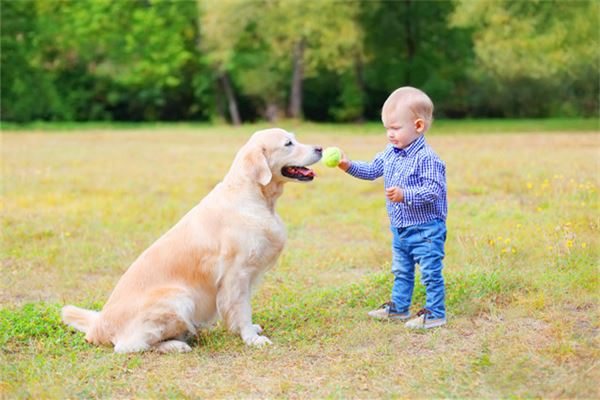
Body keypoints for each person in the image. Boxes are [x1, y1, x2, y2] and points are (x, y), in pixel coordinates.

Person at [338, 86, 448, 329]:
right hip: (400, 229)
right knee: (401, 270)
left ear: (418, 126)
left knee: (430, 272)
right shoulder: (391, 152)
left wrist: (404, 194)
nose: (390, 134)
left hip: (426, 229)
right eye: (387, 128)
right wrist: (348, 166)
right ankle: (398, 308)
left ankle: (436, 313)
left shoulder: (427, 158)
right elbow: (372, 170)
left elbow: (434, 191)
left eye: (396, 128)